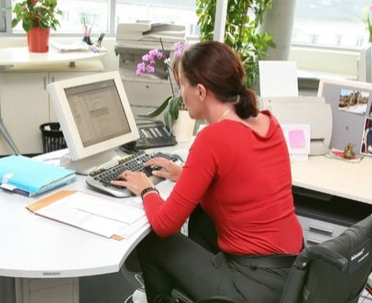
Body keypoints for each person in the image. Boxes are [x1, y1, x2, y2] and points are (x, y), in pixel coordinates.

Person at [111, 41, 303, 303]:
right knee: (202, 217)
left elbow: (165, 225)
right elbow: (243, 182)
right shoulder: (267, 120)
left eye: (183, 85)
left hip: (253, 286)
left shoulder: (213, 137)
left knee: (153, 241)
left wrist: (146, 188)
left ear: (200, 91)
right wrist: (185, 175)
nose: (181, 94)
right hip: (292, 274)